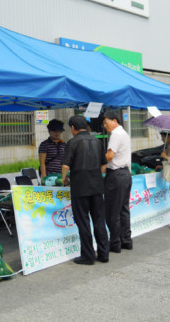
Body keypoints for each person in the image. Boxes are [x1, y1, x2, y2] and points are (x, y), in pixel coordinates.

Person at [62, 115, 109, 265]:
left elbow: (65, 165)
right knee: (99, 220)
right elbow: (104, 164)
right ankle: (104, 253)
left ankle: (88, 256)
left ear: (73, 128)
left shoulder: (72, 142)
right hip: (97, 186)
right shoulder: (97, 142)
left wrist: (64, 178)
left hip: (80, 187)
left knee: (83, 222)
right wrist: (97, 175)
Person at [102, 111, 133, 253]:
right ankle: (126, 240)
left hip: (116, 175)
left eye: (106, 123)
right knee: (123, 210)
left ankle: (115, 243)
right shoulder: (124, 133)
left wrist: (97, 162)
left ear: (114, 121)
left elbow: (110, 156)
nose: (105, 126)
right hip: (125, 174)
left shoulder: (115, 134)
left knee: (112, 211)